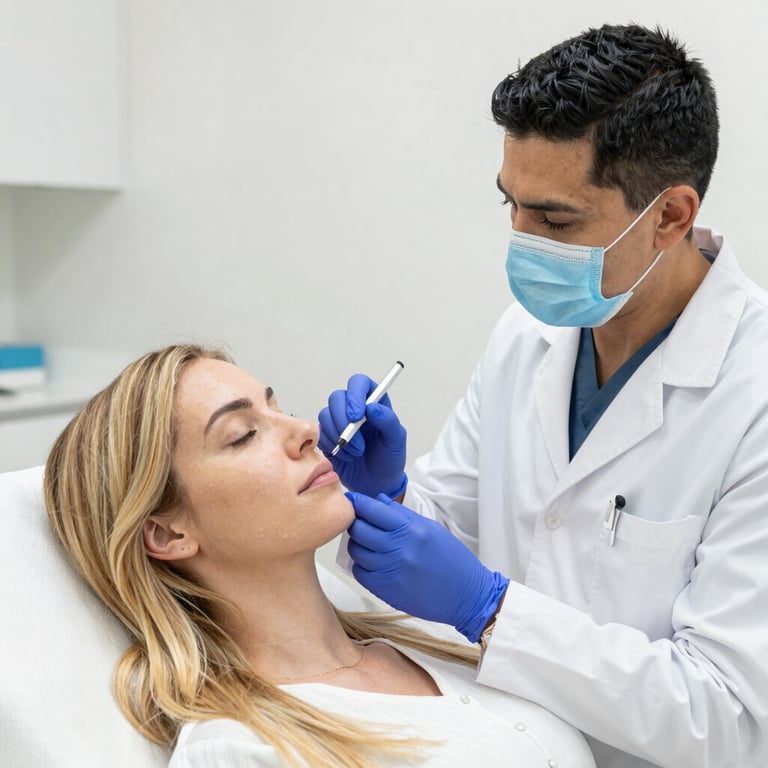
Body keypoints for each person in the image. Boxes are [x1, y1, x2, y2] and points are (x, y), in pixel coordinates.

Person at [318, 23, 768, 768]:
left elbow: (729, 717)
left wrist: (491, 612)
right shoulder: (528, 337)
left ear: (671, 215)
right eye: (512, 206)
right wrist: (391, 498)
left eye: (555, 219)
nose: (522, 241)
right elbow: (452, 544)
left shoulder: (752, 393)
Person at [43, 344, 596, 768]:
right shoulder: (240, 750)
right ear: (167, 534)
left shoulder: (436, 640)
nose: (306, 431)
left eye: (276, 406)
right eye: (242, 435)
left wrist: (485, 607)